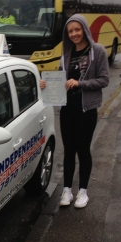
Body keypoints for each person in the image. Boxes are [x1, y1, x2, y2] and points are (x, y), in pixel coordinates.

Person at [40, 14, 109, 208]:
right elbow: (62, 81)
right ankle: (67, 190)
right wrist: (47, 84)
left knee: (83, 149)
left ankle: (83, 192)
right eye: (70, 31)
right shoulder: (66, 54)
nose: (74, 34)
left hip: (86, 110)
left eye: (77, 30)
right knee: (69, 150)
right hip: (67, 109)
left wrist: (80, 83)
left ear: (85, 30)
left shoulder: (98, 51)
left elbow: (104, 80)